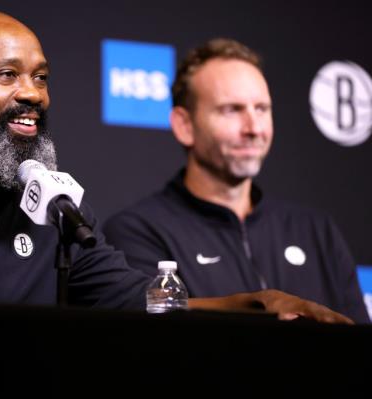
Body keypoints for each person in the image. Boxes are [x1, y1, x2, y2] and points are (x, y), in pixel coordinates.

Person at [0, 13, 352, 324]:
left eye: (41, 78)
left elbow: (135, 298)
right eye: (7, 75)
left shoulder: (54, 201)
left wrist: (257, 303)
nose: (33, 94)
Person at [104, 38, 370, 324]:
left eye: (261, 109)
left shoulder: (317, 231)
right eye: (232, 110)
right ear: (184, 125)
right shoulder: (137, 232)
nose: (254, 128)